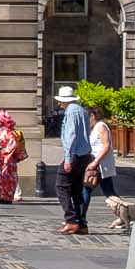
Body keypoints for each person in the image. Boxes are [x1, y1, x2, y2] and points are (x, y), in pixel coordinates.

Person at [53, 86, 94, 235]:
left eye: (61, 102)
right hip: (84, 155)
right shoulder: (82, 110)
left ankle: (70, 220)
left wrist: (68, 159)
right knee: (76, 189)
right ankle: (81, 223)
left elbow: (71, 136)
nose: (60, 104)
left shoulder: (70, 111)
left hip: (75, 154)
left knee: (61, 186)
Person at [0, 112, 26, 204]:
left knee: (7, 177)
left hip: (6, 158)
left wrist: (4, 152)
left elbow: (13, 144)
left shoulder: (7, 131)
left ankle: (6, 196)